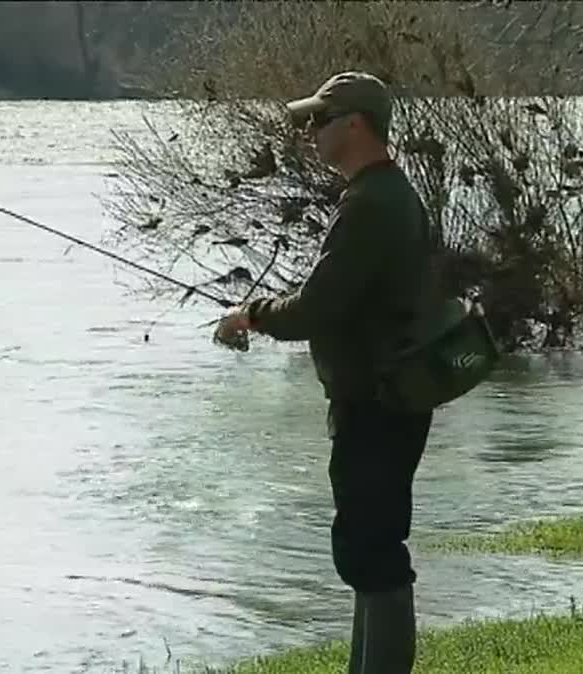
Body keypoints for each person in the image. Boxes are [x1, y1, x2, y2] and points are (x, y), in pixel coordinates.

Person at [215, 71, 439, 674]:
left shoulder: (371, 204)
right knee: (370, 550)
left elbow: (315, 309)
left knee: (373, 553)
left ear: (356, 125)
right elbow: (342, 296)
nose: (309, 132)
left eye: (320, 120)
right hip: (389, 398)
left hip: (375, 404)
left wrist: (250, 316)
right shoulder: (386, 197)